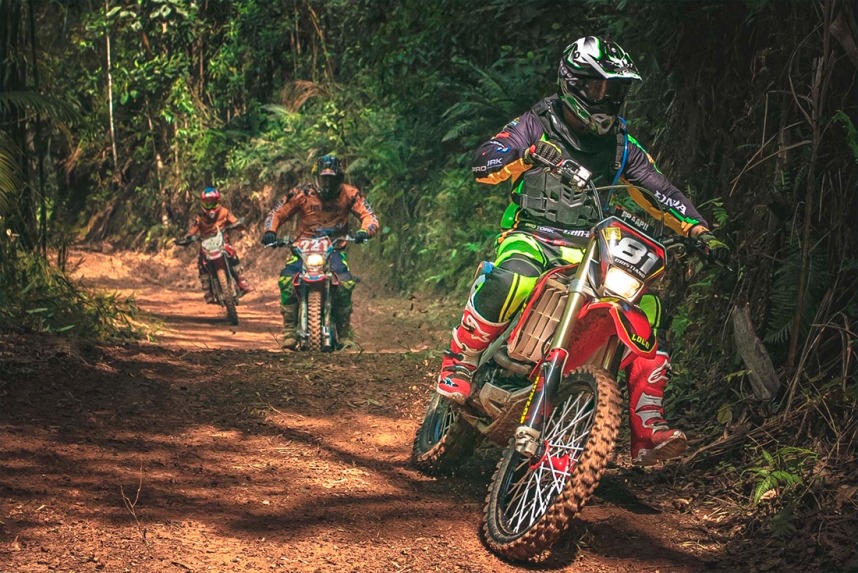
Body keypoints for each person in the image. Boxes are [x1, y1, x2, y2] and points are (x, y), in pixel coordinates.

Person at [435, 36, 729, 466]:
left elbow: (661, 191)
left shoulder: (621, 145)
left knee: (644, 309)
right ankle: (460, 361)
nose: (607, 100)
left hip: (591, 248)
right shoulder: (538, 121)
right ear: (573, 82)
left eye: (616, 92)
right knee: (514, 274)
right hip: (532, 234)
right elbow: (485, 162)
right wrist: (526, 154)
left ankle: (648, 429)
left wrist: (700, 230)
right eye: (598, 89)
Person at [261, 154, 379, 349]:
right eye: (324, 178)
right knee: (286, 281)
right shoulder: (301, 193)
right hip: (302, 248)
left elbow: (369, 216)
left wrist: (364, 231)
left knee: (345, 283)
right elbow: (277, 212)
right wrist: (270, 232)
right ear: (316, 177)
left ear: (339, 179)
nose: (327, 183)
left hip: (334, 248)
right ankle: (290, 330)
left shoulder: (350, 194)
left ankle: (344, 333)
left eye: (331, 179)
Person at [184, 187, 253, 303]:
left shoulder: (224, 212)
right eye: (207, 204)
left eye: (213, 203)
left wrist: (241, 228)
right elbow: (192, 230)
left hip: (222, 242)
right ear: (202, 204)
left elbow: (235, 221)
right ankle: (207, 290)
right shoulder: (199, 218)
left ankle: (241, 282)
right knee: (201, 263)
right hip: (206, 245)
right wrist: (188, 238)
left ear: (218, 202)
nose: (210, 207)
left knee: (232, 254)